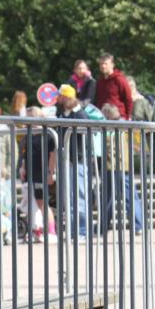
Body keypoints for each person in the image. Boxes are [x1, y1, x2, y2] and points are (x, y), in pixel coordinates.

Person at [100, 103, 144, 235]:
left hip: (113, 165)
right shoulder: (126, 125)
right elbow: (136, 145)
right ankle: (138, 225)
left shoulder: (110, 128)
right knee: (130, 196)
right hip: (125, 164)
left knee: (109, 197)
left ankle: (104, 225)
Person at [56, 84, 91, 239]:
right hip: (67, 159)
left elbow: (84, 136)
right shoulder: (63, 113)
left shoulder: (79, 113)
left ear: (66, 97)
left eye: (60, 96)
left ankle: (82, 231)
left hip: (78, 160)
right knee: (69, 197)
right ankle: (72, 230)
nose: (57, 99)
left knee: (79, 196)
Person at [18, 107, 57, 242]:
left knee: (42, 203)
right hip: (31, 173)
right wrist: (23, 168)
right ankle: (37, 230)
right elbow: (25, 154)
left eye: (28, 117)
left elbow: (53, 155)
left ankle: (51, 231)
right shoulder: (29, 134)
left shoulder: (47, 134)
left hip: (42, 173)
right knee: (33, 203)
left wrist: (50, 172)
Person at [94, 53, 134, 120]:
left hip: (118, 117)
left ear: (112, 65)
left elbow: (128, 99)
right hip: (103, 117)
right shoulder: (100, 81)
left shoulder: (119, 79)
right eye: (101, 64)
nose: (103, 66)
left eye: (105, 64)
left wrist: (128, 116)